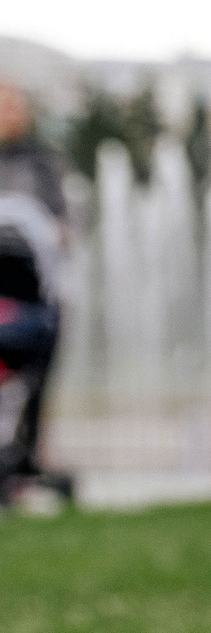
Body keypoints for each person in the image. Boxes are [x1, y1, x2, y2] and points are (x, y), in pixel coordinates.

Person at [0, 82, 70, 488]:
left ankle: (25, 453)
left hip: (32, 293)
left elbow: (62, 225)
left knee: (36, 378)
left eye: (16, 106)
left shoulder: (40, 164)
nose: (13, 114)